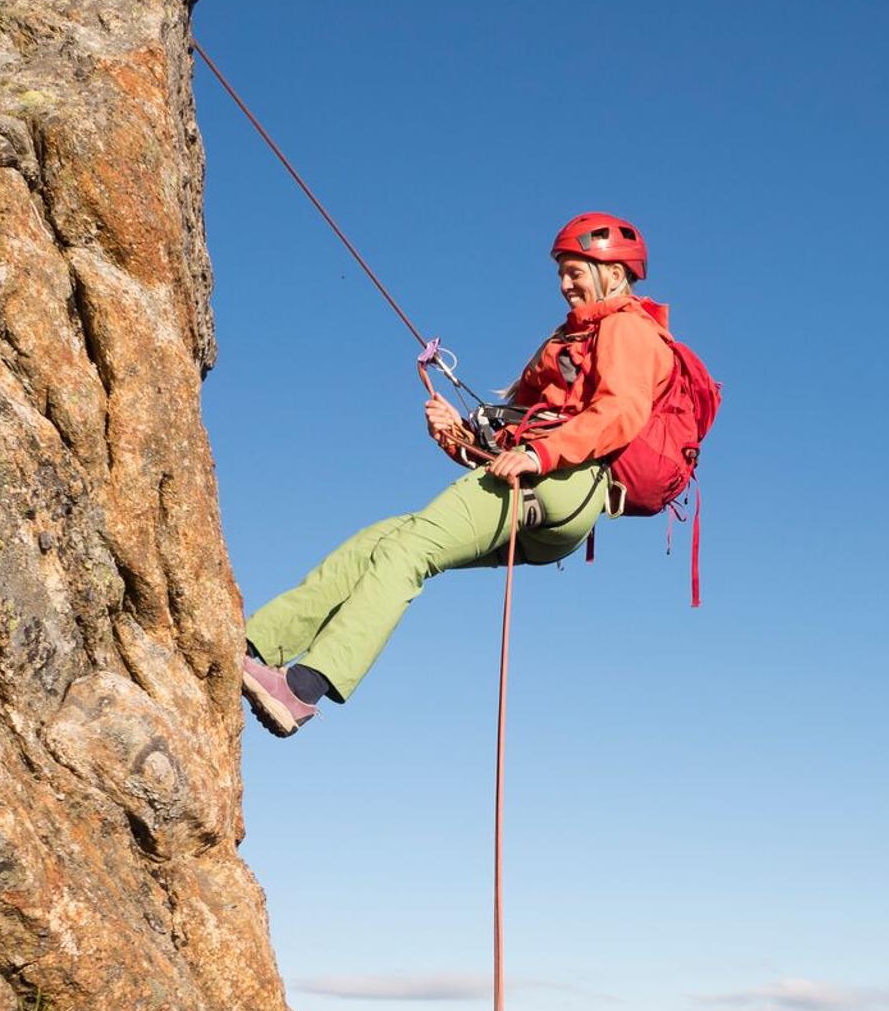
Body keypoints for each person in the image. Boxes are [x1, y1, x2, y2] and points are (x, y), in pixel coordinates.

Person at [240, 212, 676, 737]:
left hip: (561, 479)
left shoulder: (627, 328)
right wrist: (456, 436)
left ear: (614, 273)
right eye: (561, 272)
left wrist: (540, 456)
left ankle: (301, 688)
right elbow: (507, 445)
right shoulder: (575, 339)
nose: (564, 284)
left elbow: (621, 412)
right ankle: (254, 644)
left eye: (575, 271)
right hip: (554, 496)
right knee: (378, 543)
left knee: (408, 552)